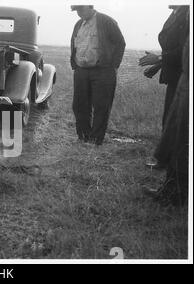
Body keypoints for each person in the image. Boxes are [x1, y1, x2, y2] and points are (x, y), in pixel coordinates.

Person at [138, 5, 189, 169]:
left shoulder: (187, 13)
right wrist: (158, 65)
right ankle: (166, 161)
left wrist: (160, 57)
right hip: (176, 77)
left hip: (184, 78)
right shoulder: (177, 13)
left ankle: (170, 164)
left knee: (177, 123)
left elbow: (185, 50)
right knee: (170, 119)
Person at [145, 27, 189, 206]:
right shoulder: (183, 12)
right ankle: (172, 190)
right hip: (184, 79)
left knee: (182, 139)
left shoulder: (186, 11)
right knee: (177, 137)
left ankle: (175, 194)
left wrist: (161, 59)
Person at [70, 5, 126, 145]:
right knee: (79, 105)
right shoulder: (78, 24)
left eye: (81, 9)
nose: (79, 13)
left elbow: (120, 43)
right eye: (76, 11)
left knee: (101, 106)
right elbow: (75, 44)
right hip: (81, 71)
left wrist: (112, 65)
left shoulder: (107, 21)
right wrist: (76, 65)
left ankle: (95, 140)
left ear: (90, 7)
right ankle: (83, 137)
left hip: (103, 71)